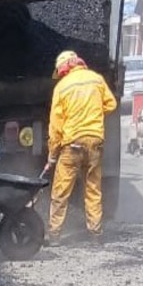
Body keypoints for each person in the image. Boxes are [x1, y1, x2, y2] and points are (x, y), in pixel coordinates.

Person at [43, 49, 117, 245]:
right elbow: (111, 105)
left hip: (72, 145)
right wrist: (93, 113)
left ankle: (55, 235)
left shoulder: (62, 87)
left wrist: (52, 154)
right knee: (93, 189)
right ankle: (96, 234)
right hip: (95, 141)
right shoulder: (96, 79)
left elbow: (55, 126)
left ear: (63, 70)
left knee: (61, 191)